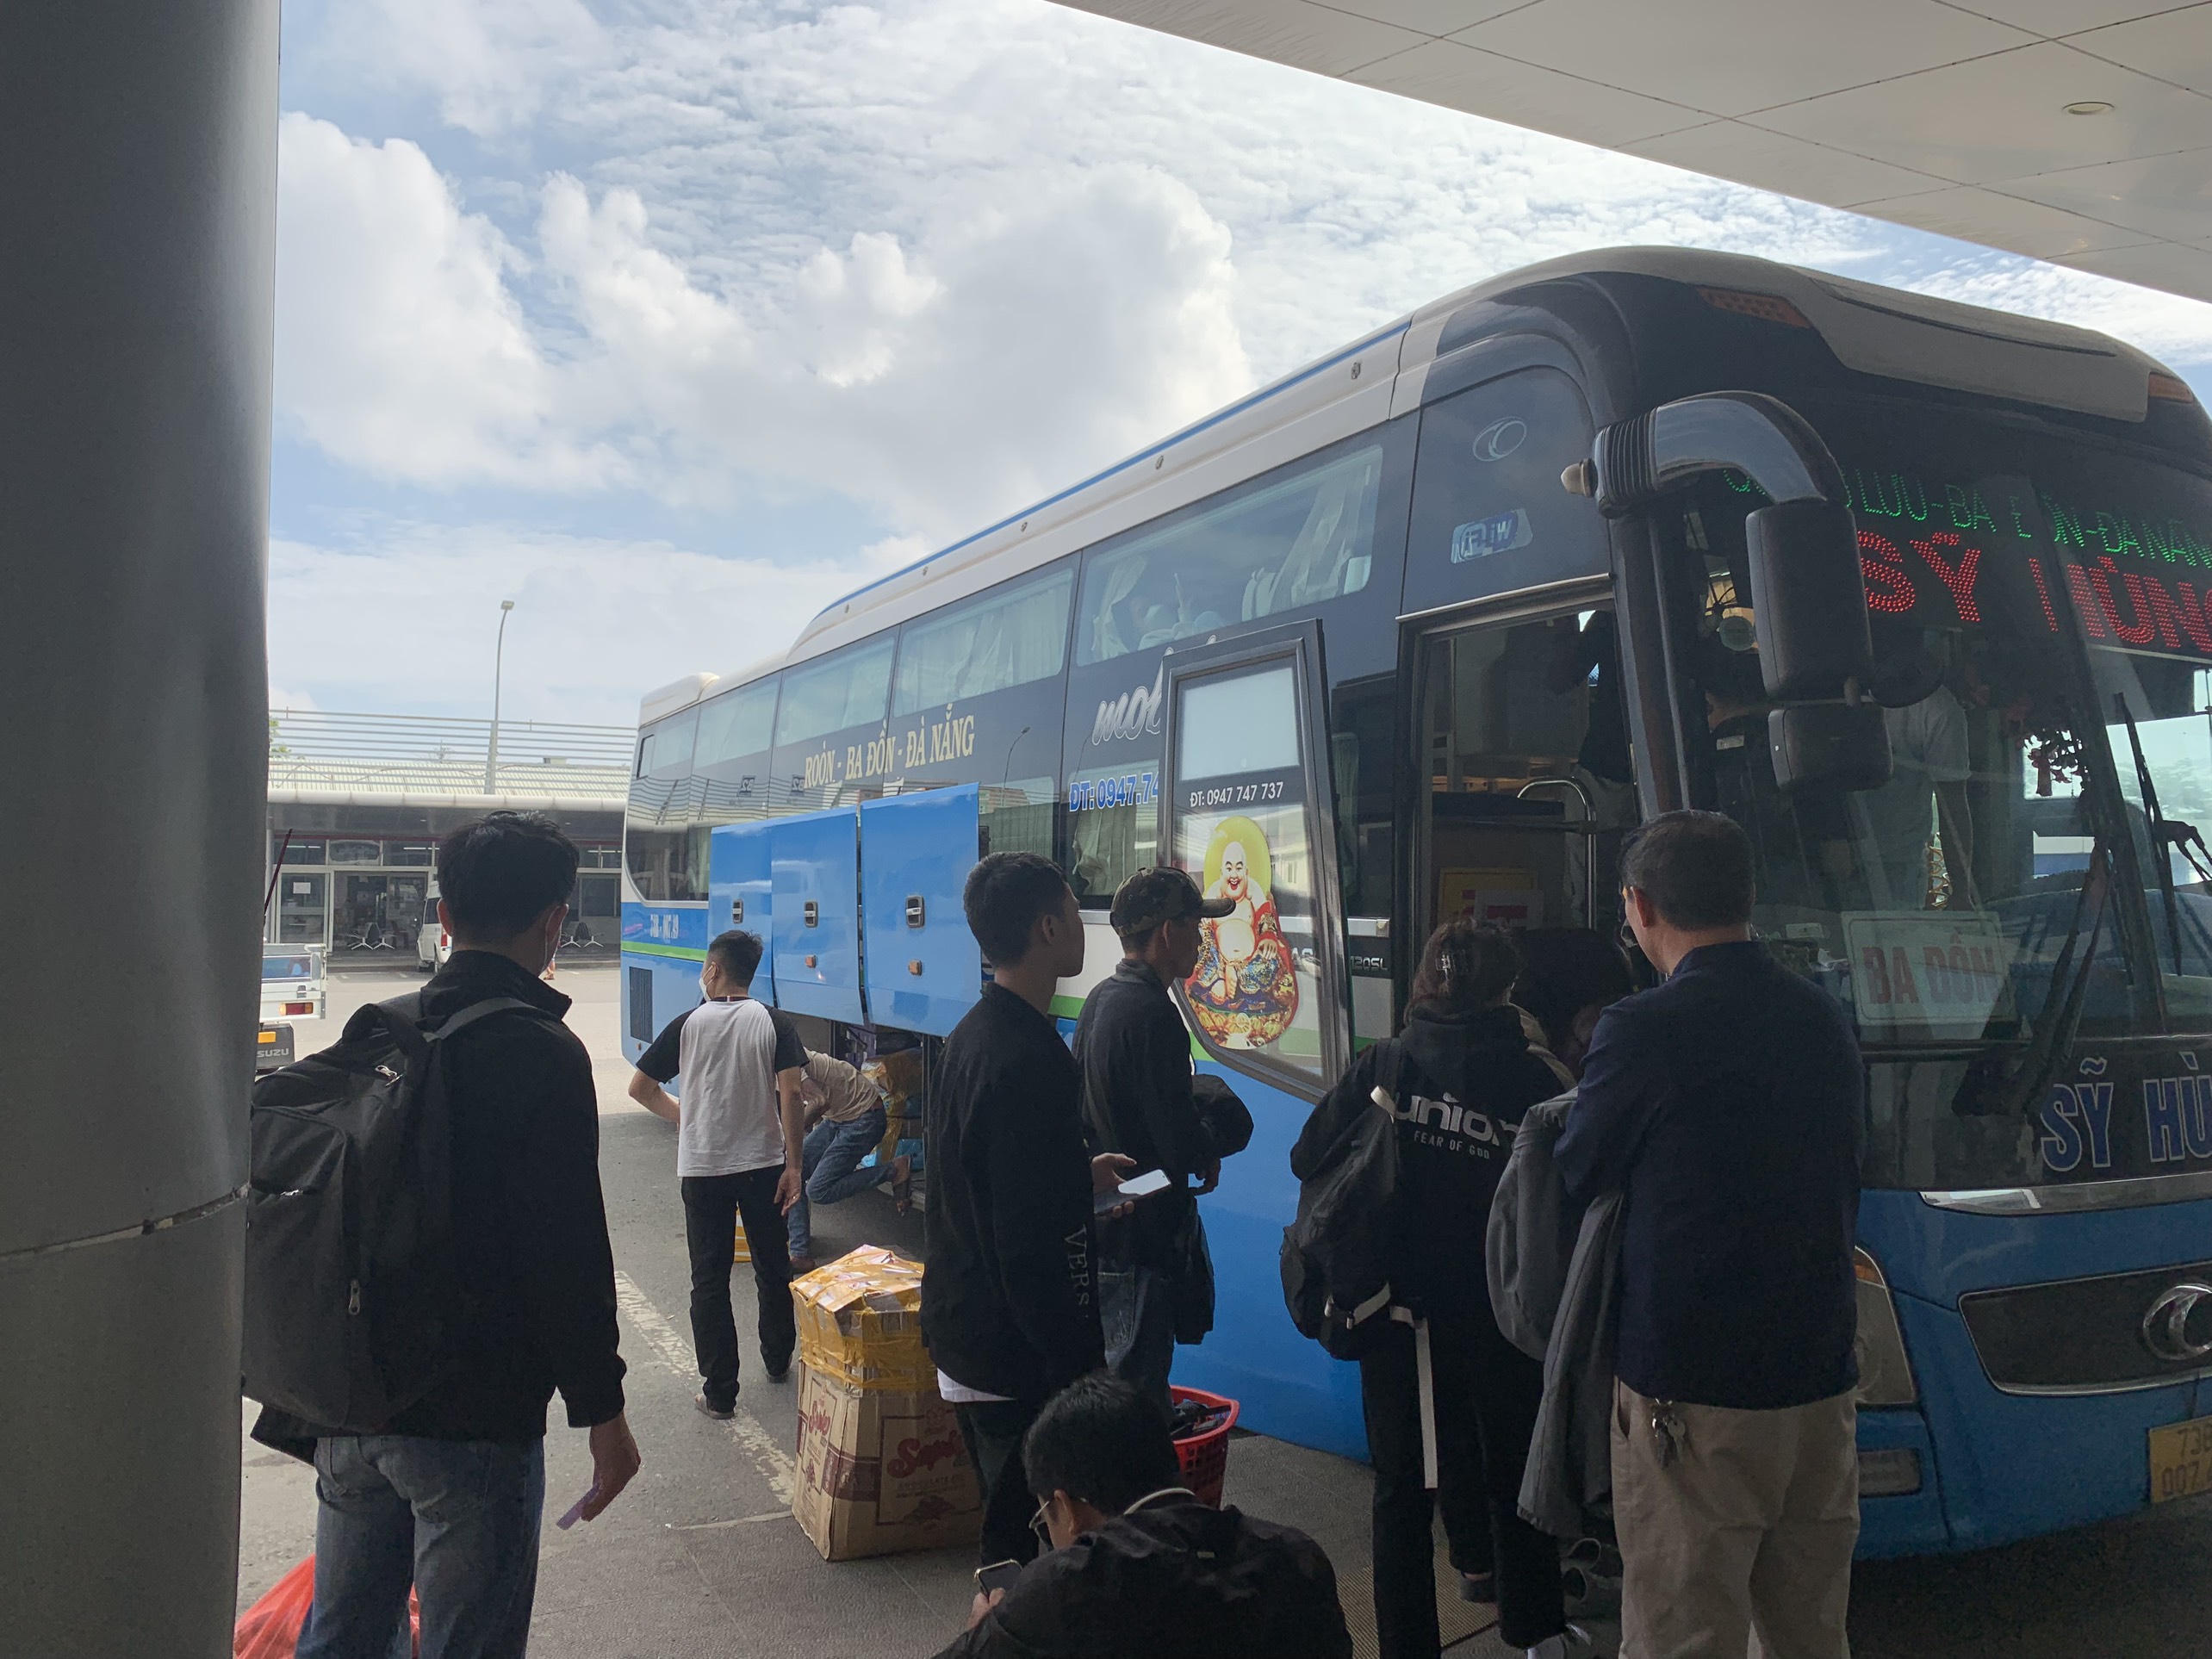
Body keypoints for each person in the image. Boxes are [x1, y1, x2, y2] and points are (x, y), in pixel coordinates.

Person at [289, 811, 640, 1659]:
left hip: (353, 1402)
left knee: (340, 1639)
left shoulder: (379, 1026)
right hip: (473, 1419)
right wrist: (602, 1411)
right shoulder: (543, 1051)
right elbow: (566, 1250)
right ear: (555, 921)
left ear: (444, 916)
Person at [1554, 811, 1864, 1659]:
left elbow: (1581, 1167)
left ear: (1640, 906)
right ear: (1746, 896)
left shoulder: (1644, 1027)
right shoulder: (1823, 1015)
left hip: (1694, 1392)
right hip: (1820, 1375)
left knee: (1685, 1631)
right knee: (1809, 1631)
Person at [1293, 921, 1581, 1659]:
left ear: (1426, 980)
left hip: (1394, 1315)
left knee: (1400, 1490)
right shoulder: (1540, 1079)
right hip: (1504, 1316)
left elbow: (1306, 1154)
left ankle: (1407, 1646)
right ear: (1507, 990)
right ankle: (1535, 1632)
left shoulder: (1385, 1062)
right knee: (1515, 1470)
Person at [923, 851, 1134, 1567]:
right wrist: (1079, 1373)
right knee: (1024, 1557)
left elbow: (985, 1180)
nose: (1081, 924)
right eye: (1075, 911)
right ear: (1048, 928)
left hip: (967, 1331)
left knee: (1014, 1542)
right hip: (1014, 1358)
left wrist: (1077, 1179)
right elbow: (1025, 1244)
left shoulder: (974, 1035)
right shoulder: (1030, 1059)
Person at [935, 1373, 1353, 1659]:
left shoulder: (1067, 1588)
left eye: (1046, 1519)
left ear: (1066, 1507)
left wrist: (986, 1633)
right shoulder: (1298, 1557)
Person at [627, 929, 805, 1418]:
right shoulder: (774, 1022)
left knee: (709, 1277)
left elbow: (641, 1088)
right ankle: (777, 1359)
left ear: (712, 970)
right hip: (764, 1165)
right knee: (773, 1266)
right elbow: (792, 1094)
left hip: (703, 1168)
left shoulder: (687, 1024)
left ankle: (720, 1393)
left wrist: (684, 1116)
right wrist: (794, 1165)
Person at [1074, 867, 1233, 1409]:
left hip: (1108, 1223)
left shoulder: (1100, 999)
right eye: (1195, 925)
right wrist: (1210, 1144)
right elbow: (1175, 1143)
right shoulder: (1155, 1015)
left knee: (1114, 1385)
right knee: (1136, 1396)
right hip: (1143, 1235)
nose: (1201, 939)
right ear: (1168, 932)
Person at [784, 1046, 911, 1273]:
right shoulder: (773, 1057)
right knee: (793, 1171)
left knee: (818, 1190)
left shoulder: (787, 1059)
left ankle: (894, 1169)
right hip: (839, 1117)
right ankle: (800, 1253)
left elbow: (819, 1101)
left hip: (865, 1117)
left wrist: (789, 1137)